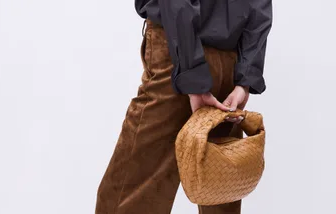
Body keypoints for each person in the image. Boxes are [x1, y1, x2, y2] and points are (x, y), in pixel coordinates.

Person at [95, 0, 272, 213]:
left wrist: (192, 76)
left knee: (135, 191)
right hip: (230, 64)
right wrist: (245, 78)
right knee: (219, 189)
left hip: (177, 53)